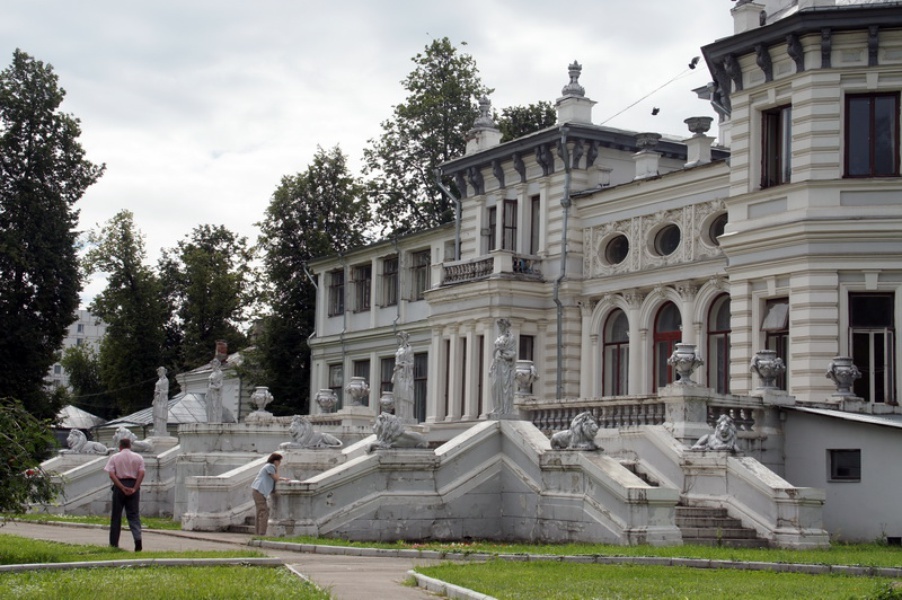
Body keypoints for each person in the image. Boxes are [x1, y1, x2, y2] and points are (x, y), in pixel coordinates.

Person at [104, 437, 146, 551]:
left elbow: (111, 474)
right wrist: (135, 488)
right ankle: (138, 540)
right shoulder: (138, 457)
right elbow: (141, 473)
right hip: (133, 484)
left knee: (116, 516)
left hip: (119, 485)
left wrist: (122, 487)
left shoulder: (115, 457)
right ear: (130, 446)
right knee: (133, 515)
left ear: (120, 446)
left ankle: (114, 543)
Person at [250, 452, 288, 536]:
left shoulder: (268, 467)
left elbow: (274, 477)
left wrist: (283, 478)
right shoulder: (271, 467)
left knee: (260, 511)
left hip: (257, 490)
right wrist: (277, 469)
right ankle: (261, 533)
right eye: (279, 461)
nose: (280, 463)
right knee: (264, 512)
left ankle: (258, 533)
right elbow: (275, 478)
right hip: (259, 490)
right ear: (275, 461)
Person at [489, 318, 517, 416]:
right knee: (495, 387)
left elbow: (512, 354)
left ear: (505, 326)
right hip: (497, 366)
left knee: (505, 388)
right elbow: (495, 354)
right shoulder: (499, 337)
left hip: (505, 366)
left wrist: (504, 355)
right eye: (499, 326)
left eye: (501, 326)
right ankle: (497, 408)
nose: (500, 328)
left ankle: (506, 410)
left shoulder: (511, 338)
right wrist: (490, 367)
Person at [391, 331, 414, 420]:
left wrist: (403, 364)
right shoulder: (399, 349)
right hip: (398, 374)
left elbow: (411, 364)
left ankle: (405, 415)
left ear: (404, 338)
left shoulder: (409, 349)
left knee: (405, 394)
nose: (399, 340)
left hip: (406, 375)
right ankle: (399, 414)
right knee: (398, 395)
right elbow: (396, 362)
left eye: (400, 338)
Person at [152, 366, 169, 437]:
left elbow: (166, 391)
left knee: (161, 414)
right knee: (155, 414)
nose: (158, 373)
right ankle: (156, 428)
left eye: (159, 371)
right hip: (157, 399)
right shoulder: (159, 380)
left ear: (162, 372)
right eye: (158, 371)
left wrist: (159, 392)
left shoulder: (166, 380)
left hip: (162, 399)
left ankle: (161, 430)